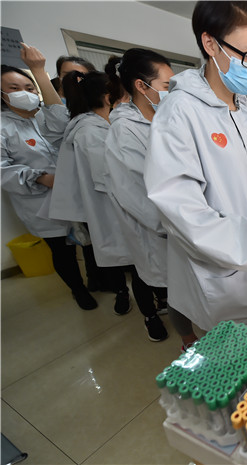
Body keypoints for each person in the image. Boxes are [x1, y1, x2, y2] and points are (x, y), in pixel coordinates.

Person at [144, 1, 247, 332]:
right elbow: (185, 215)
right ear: (210, 43)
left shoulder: (246, 113)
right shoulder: (180, 112)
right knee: (233, 354)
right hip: (221, 275)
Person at [1, 62, 97, 310]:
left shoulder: (48, 114)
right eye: (14, 88)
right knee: (62, 250)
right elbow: (3, 169)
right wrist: (40, 177)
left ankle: (97, 280)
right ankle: (78, 289)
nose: (25, 93)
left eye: (29, 87)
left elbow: (66, 129)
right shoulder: (3, 126)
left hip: (78, 189)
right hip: (41, 199)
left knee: (92, 240)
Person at [103, 49, 177, 342]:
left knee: (176, 283)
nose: (172, 92)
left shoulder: (166, 119)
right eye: (167, 85)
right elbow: (135, 193)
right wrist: (181, 223)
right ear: (141, 86)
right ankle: (150, 316)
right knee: (149, 273)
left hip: (179, 221)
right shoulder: (124, 130)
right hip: (155, 225)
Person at [51, 69, 133, 315]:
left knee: (125, 252)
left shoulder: (102, 124)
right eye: (123, 94)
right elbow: (106, 176)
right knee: (116, 252)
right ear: (109, 97)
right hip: (107, 203)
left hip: (118, 202)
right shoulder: (90, 131)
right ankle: (122, 293)